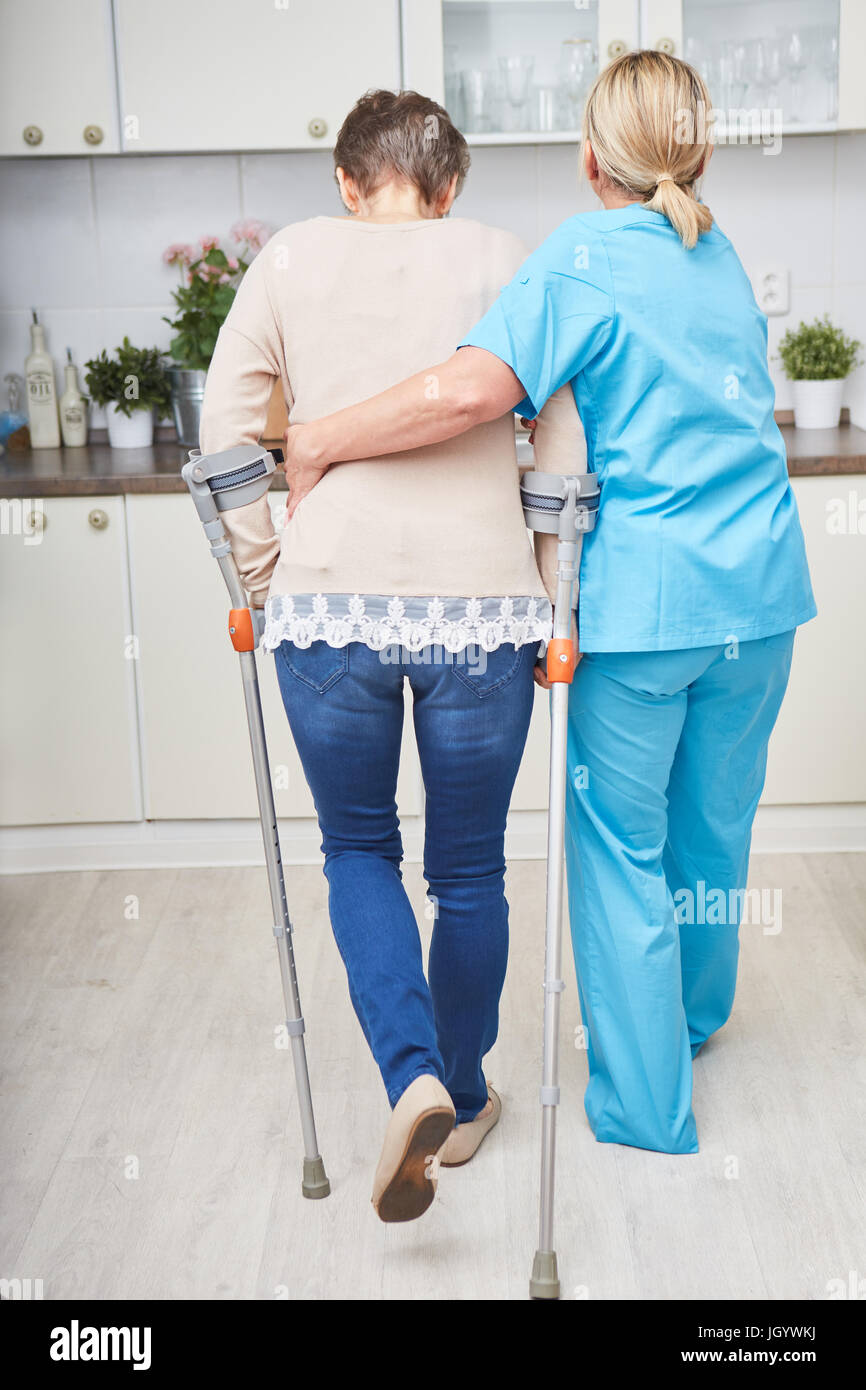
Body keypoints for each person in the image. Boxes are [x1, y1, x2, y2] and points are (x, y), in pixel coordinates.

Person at [281, 52, 817, 1157]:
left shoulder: (580, 255)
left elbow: (473, 389)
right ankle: (688, 1023)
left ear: (588, 159)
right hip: (757, 598)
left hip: (642, 610)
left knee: (619, 844)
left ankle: (641, 1105)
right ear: (697, 154)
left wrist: (324, 436)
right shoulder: (711, 253)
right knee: (710, 829)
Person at [199, 89, 583, 1220]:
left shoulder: (288, 260)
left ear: (346, 181)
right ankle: (461, 1100)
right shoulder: (508, 255)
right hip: (484, 614)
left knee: (357, 851)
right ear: (450, 185)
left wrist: (267, 582)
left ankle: (406, 1074)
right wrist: (555, 605)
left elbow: (224, 434)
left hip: (329, 610)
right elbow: (558, 445)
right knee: (466, 872)